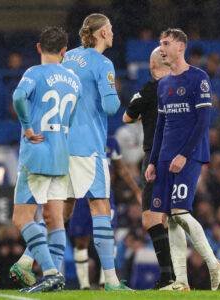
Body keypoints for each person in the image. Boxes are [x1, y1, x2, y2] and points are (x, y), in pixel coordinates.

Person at [145, 28, 220, 291]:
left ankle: (214, 265)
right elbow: (160, 126)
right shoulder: (164, 84)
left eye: (166, 43)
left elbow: (203, 122)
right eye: (160, 43)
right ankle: (181, 280)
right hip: (166, 157)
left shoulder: (198, 78)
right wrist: (153, 161)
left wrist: (183, 154)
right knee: (170, 216)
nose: (161, 48)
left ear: (181, 47)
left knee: (180, 211)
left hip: (189, 156)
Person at [10, 26, 81, 293]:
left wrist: (28, 126)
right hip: (61, 154)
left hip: (36, 153)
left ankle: (50, 272)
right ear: (64, 51)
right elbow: (72, 116)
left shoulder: (33, 73)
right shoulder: (73, 80)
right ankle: (57, 276)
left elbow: (18, 97)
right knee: (54, 217)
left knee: (22, 217)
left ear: (39, 47)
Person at [61, 13, 130, 291]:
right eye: (110, 29)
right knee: (100, 206)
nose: (113, 33)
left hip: (60, 144)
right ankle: (111, 281)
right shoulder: (103, 63)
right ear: (101, 33)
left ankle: (32, 262)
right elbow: (112, 107)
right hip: (88, 146)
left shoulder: (68, 57)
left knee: (60, 209)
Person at [123, 46, 179, 289]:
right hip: (181, 158)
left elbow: (127, 117)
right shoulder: (180, 89)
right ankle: (177, 276)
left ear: (152, 65)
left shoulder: (149, 90)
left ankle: (169, 276)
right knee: (174, 217)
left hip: (155, 158)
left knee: (151, 218)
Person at [69, 136, 141, 289]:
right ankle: (84, 286)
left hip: (106, 194)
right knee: (81, 240)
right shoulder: (78, 138)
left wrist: (136, 190)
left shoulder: (111, 142)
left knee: (109, 237)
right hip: (82, 194)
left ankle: (105, 282)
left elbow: (120, 168)